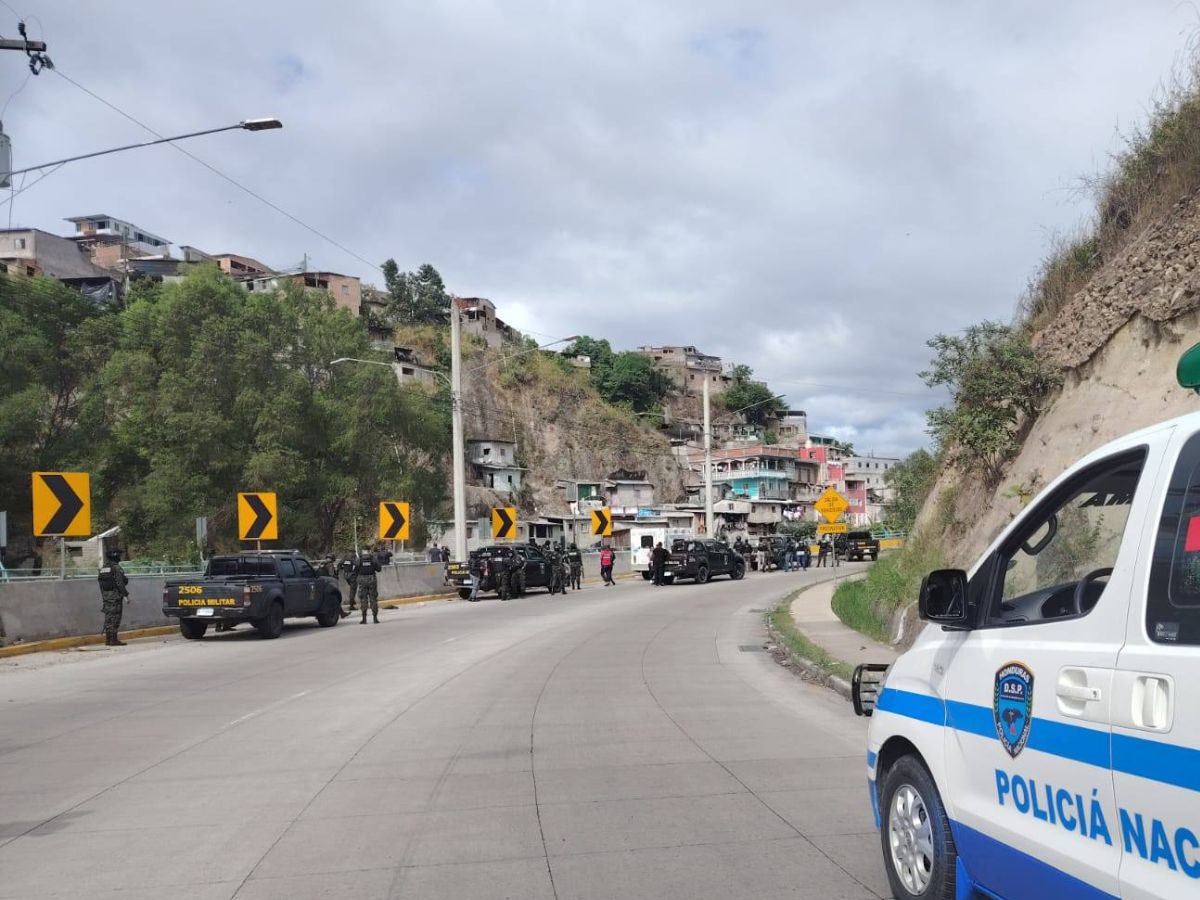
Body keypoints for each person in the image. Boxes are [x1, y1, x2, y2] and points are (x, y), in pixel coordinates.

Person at [98, 548, 130, 646]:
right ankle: (113, 640)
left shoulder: (103, 568)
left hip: (106, 597)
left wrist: (104, 596)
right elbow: (120, 583)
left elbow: (101, 583)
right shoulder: (116, 568)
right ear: (115, 556)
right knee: (115, 617)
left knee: (108, 617)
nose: (120, 557)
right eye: (119, 555)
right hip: (115, 596)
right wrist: (125, 595)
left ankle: (108, 640)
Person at [357, 551, 380, 624]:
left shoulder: (359, 560)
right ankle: (375, 618)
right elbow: (379, 569)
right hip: (372, 580)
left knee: (363, 599)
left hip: (362, 580)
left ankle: (364, 619)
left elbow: (355, 570)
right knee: (373, 599)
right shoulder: (373, 559)